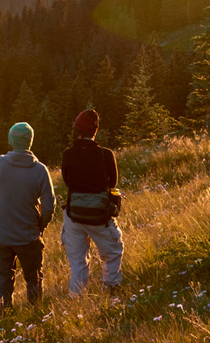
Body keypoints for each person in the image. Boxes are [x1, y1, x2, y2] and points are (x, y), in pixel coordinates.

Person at [0, 122, 55, 314]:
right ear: (30, 142)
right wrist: (39, 227)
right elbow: (49, 207)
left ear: (10, 141)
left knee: (4, 279)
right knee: (34, 278)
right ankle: (35, 315)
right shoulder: (40, 170)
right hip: (29, 236)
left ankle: (4, 317)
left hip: (2, 237)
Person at [60, 109, 124, 295]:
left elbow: (67, 181)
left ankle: (76, 300)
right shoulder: (106, 154)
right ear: (95, 131)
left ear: (77, 129)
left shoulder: (68, 154)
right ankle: (111, 292)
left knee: (78, 262)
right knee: (112, 253)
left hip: (73, 215)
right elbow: (112, 182)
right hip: (99, 215)